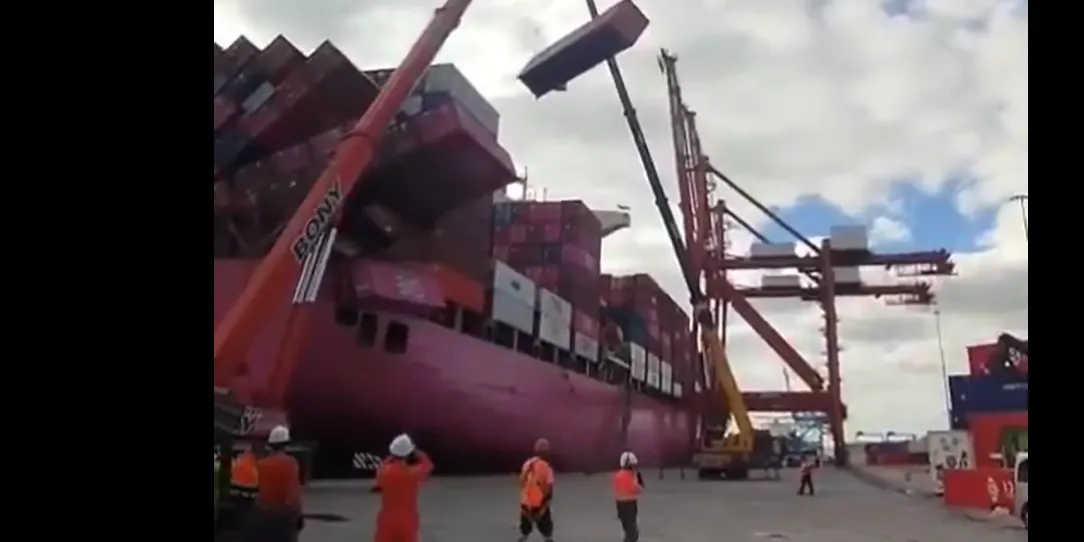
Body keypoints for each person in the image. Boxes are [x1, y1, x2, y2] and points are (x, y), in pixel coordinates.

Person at [243, 425, 303, 542]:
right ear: (286, 444)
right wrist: (298, 515)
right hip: (283, 518)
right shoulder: (290, 464)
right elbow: (293, 494)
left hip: (263, 516)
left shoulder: (261, 465)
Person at [374, 433, 433, 542]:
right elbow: (428, 466)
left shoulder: (383, 471)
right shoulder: (413, 473)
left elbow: (379, 481)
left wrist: (392, 457)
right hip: (408, 518)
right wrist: (419, 454)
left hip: (387, 517)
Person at [518, 438, 556, 542]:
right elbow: (548, 488)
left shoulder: (527, 464)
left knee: (525, 531)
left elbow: (522, 481)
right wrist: (547, 501)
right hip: (539, 504)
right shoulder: (546, 467)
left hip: (525, 503)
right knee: (547, 532)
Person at [612, 451, 644, 542]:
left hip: (621, 505)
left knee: (629, 530)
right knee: (632, 533)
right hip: (630, 505)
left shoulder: (618, 475)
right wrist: (636, 481)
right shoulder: (633, 476)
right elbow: (638, 489)